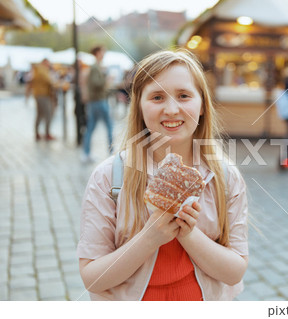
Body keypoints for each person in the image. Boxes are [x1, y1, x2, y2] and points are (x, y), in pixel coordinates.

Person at [77, 50, 249, 301]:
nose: (171, 109)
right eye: (157, 97)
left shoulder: (225, 177)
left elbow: (235, 272)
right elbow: (92, 278)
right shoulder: (108, 178)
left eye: (183, 96)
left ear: (202, 105)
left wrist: (189, 234)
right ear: (139, 107)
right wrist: (149, 238)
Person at [82, 46, 114, 163]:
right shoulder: (96, 67)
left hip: (95, 100)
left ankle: (86, 153)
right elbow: (96, 83)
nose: (104, 54)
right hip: (99, 100)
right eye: (102, 52)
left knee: (91, 127)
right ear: (97, 53)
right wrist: (107, 79)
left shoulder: (95, 66)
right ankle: (112, 152)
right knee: (109, 126)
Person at [29, 58, 56, 141]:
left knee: (39, 114)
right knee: (48, 114)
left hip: (39, 94)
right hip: (43, 95)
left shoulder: (38, 70)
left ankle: (37, 132)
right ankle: (47, 133)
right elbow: (49, 81)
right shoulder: (41, 70)